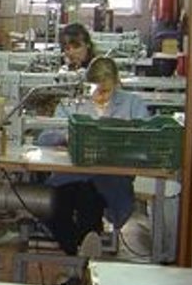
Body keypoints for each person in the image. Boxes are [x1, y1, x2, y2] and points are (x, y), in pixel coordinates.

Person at [37, 56, 150, 258]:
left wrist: (121, 142)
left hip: (111, 179)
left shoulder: (133, 104)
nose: (100, 96)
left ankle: (80, 256)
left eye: (106, 91)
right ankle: (82, 252)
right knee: (51, 206)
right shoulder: (73, 104)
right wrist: (65, 136)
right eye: (96, 90)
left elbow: (147, 139)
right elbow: (44, 138)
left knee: (88, 198)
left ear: (117, 83)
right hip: (70, 176)